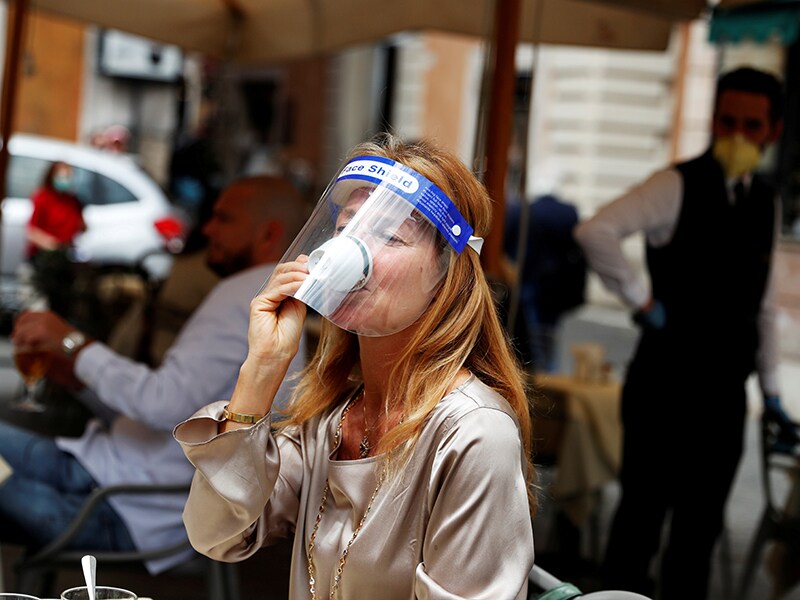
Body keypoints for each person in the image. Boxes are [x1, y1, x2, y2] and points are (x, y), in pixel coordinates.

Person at [174, 133, 536, 598]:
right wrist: (262, 368)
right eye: (345, 230)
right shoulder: (331, 420)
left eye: (387, 235)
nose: (351, 252)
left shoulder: (473, 433)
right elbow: (214, 535)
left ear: (446, 272)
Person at [3, 175, 309, 576]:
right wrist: (79, 377)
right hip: (98, 470)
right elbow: (168, 415)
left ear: (268, 234)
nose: (207, 228)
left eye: (224, 218)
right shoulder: (252, 296)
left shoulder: (250, 299)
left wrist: (73, 345)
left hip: (118, 506)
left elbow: (162, 404)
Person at [573, 66, 797, 599]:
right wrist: (641, 299)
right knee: (639, 526)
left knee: (698, 536)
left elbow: (763, 307)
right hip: (663, 388)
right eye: (726, 121)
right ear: (713, 121)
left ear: (773, 132)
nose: (737, 136)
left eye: (750, 124)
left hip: (723, 399)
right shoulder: (674, 184)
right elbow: (596, 230)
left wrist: (770, 392)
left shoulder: (767, 203)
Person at [504, 189, 586, 372]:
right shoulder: (567, 214)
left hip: (528, 282)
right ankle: (548, 375)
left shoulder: (523, 212)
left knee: (528, 338)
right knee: (548, 337)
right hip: (556, 287)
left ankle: (539, 376)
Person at [23, 160, 86, 314]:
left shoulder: (72, 201)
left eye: (68, 176)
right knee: (38, 307)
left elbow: (81, 226)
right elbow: (31, 230)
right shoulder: (43, 197)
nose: (65, 179)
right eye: (62, 175)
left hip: (64, 261)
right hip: (44, 260)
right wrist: (51, 244)